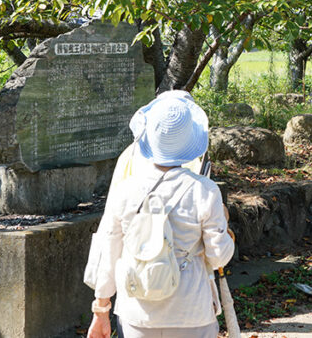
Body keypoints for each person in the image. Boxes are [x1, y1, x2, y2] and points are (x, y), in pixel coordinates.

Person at [84, 90, 234, 338]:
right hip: (192, 312)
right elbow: (218, 257)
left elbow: (109, 251)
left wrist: (101, 310)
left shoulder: (126, 189)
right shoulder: (204, 190)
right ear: (191, 140)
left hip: (137, 313)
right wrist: (225, 229)